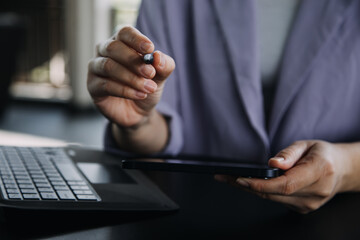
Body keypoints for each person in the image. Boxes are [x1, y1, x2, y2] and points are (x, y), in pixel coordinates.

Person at [87, 0, 360, 214]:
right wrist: (137, 123)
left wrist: (346, 167)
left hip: (339, 216)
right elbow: (157, 133)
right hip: (192, 215)